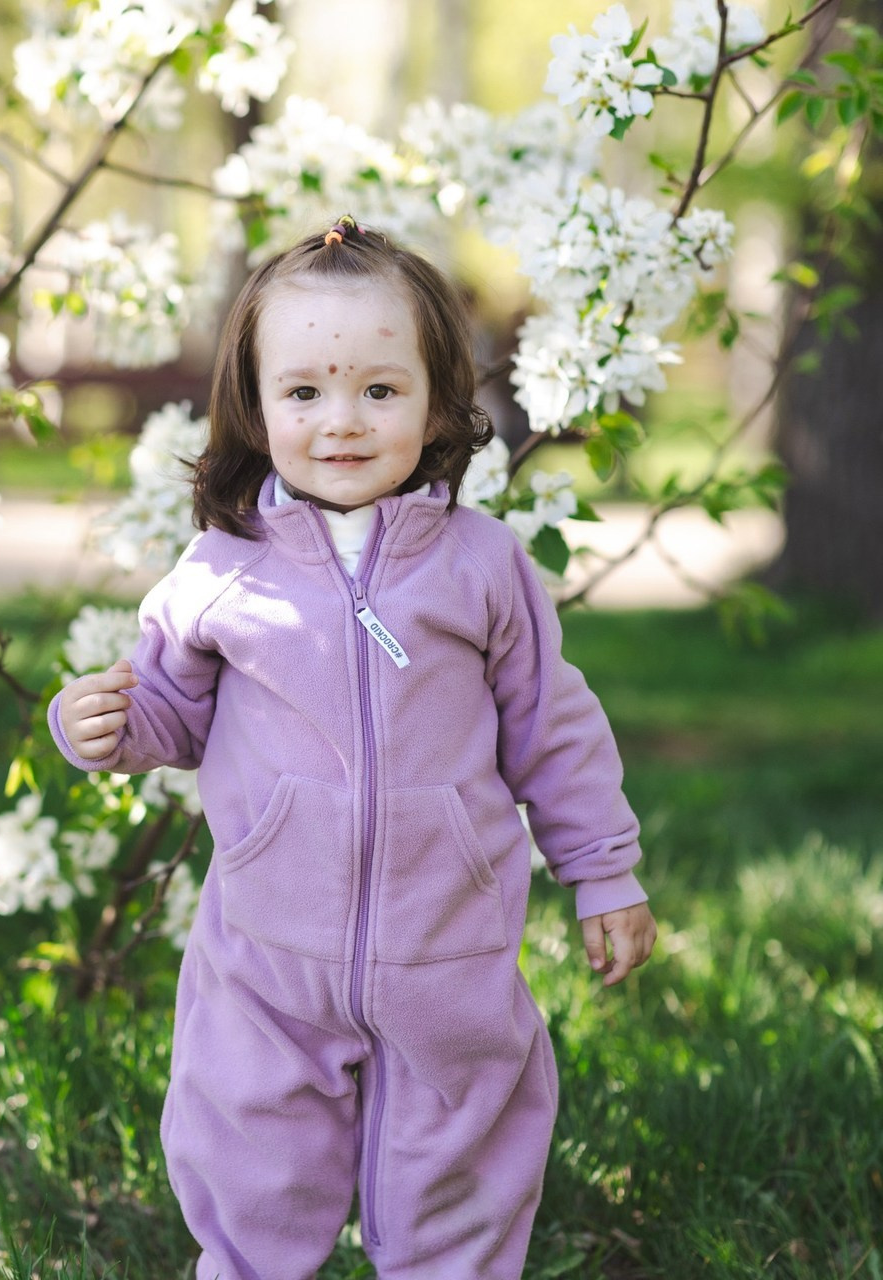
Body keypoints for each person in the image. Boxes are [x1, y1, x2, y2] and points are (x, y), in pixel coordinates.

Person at [49, 214, 657, 1280]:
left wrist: (601, 868)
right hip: (267, 956)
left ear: (435, 409)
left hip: (448, 949)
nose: (341, 420)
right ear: (254, 405)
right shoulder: (221, 569)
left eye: (379, 390)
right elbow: (170, 718)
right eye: (304, 392)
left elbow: (548, 724)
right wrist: (97, 725)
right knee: (247, 1153)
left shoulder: (479, 564)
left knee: (460, 1159)